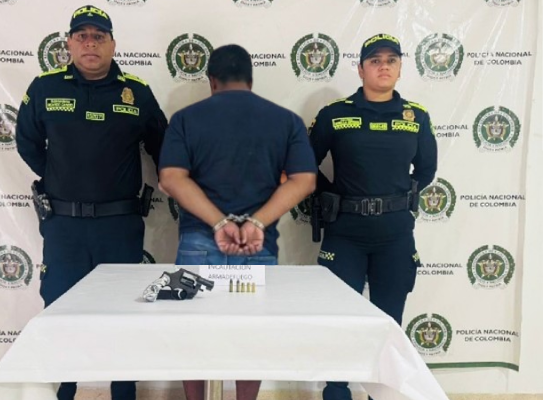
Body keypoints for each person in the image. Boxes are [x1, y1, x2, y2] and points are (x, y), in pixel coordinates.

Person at [15, 5, 167, 400]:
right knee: (60, 313)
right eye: (81, 36)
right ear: (68, 43)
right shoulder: (45, 88)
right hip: (64, 226)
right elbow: (26, 142)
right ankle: (63, 393)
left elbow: (163, 148)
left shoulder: (136, 92)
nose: (89, 43)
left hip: (119, 226)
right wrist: (57, 174)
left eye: (98, 36)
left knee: (122, 316)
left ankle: (123, 394)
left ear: (113, 44)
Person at [159, 44, 317, 400]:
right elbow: (304, 180)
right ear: (250, 79)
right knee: (252, 336)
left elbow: (171, 178)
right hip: (257, 245)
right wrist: (256, 223)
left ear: (212, 81)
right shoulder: (285, 120)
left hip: (200, 243)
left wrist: (219, 224)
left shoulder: (185, 119)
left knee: (194, 336)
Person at [308, 33, 438, 400]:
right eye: (375, 60)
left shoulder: (416, 117)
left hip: (395, 235)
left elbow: (426, 170)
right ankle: (337, 392)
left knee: (388, 322)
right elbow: (305, 164)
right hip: (345, 232)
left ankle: (380, 394)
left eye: (391, 60)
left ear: (400, 68)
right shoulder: (335, 115)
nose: (384, 66)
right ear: (361, 68)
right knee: (340, 319)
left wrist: (395, 198)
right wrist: (331, 195)